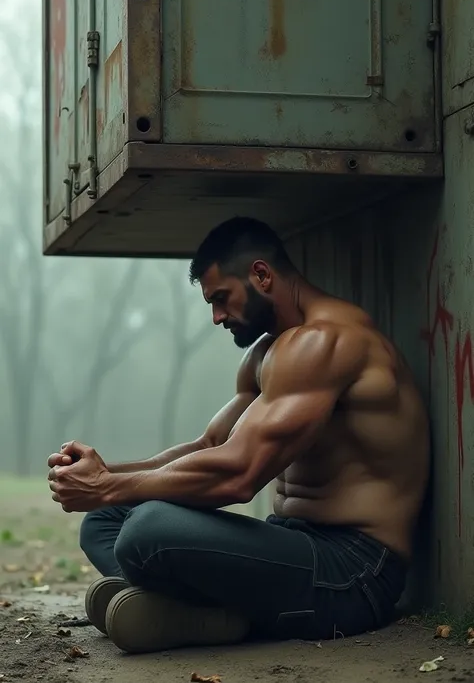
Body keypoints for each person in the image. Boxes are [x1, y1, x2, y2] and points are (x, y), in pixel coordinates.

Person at [47, 216, 430, 655]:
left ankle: (208, 612)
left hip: (353, 574)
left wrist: (108, 486)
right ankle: (206, 614)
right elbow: (210, 446)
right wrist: (103, 476)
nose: (216, 317)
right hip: (293, 543)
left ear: (261, 276)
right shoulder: (268, 351)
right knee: (106, 519)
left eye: (221, 299)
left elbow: (239, 477)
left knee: (146, 528)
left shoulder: (326, 342)